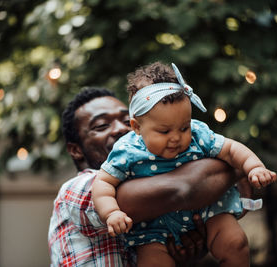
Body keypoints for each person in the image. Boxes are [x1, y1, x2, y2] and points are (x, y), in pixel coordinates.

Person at [92, 62, 277, 267]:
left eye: (183, 127)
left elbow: (231, 149)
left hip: (209, 212)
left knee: (236, 243)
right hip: (154, 229)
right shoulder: (127, 150)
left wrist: (255, 167)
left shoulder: (198, 134)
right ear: (136, 126)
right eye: (164, 131)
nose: (176, 138)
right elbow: (103, 183)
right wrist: (112, 212)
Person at [48, 87, 252, 267]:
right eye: (101, 126)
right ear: (75, 150)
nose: (121, 129)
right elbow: (185, 188)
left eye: (126, 121)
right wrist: (240, 167)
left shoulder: (150, 177)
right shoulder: (77, 188)